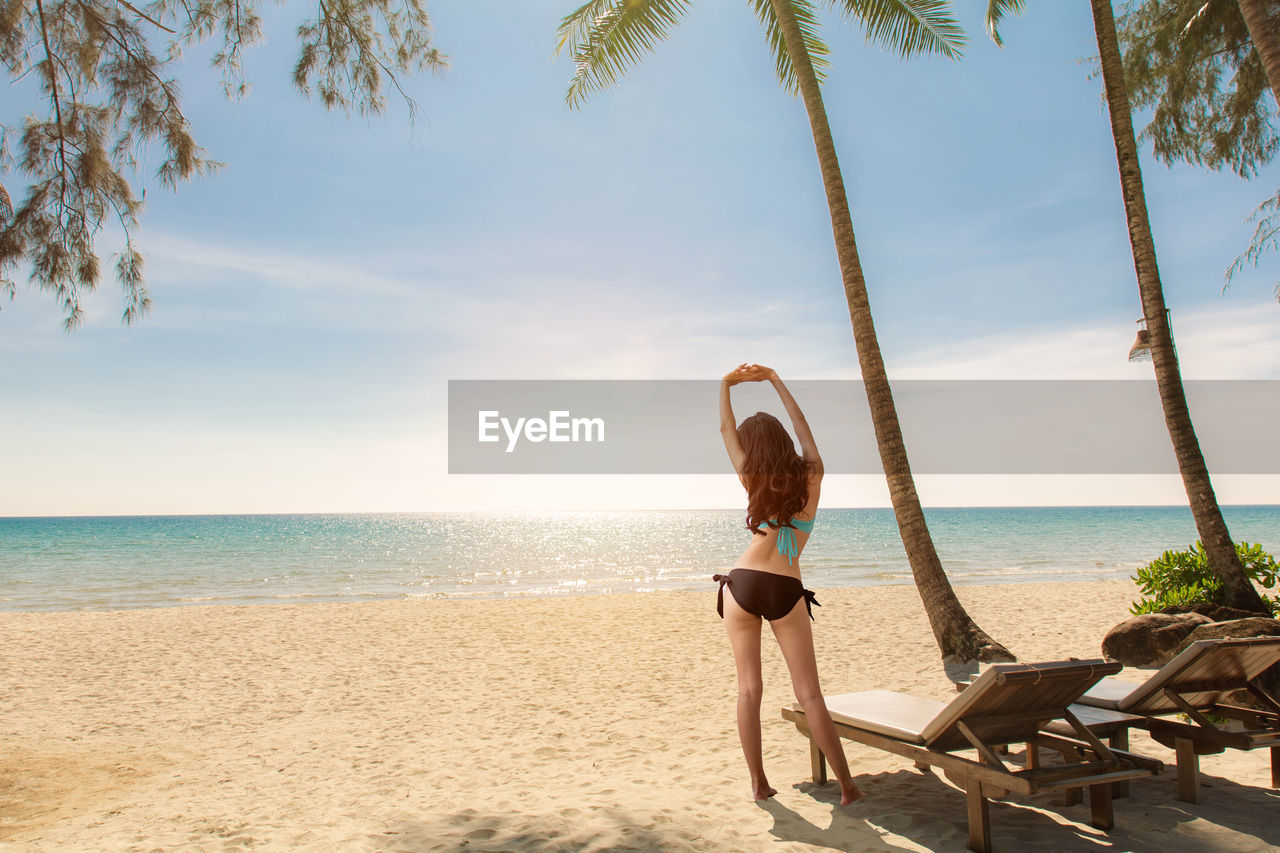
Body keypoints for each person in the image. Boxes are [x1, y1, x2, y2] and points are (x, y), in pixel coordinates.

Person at [716, 362, 864, 805]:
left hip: (740, 583)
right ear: (783, 442)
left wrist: (726, 383)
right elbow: (802, 425)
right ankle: (847, 787)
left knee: (748, 690)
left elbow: (725, 429)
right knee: (809, 693)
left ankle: (759, 784)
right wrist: (775, 381)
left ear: (752, 448)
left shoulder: (750, 476)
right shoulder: (812, 475)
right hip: (784, 585)